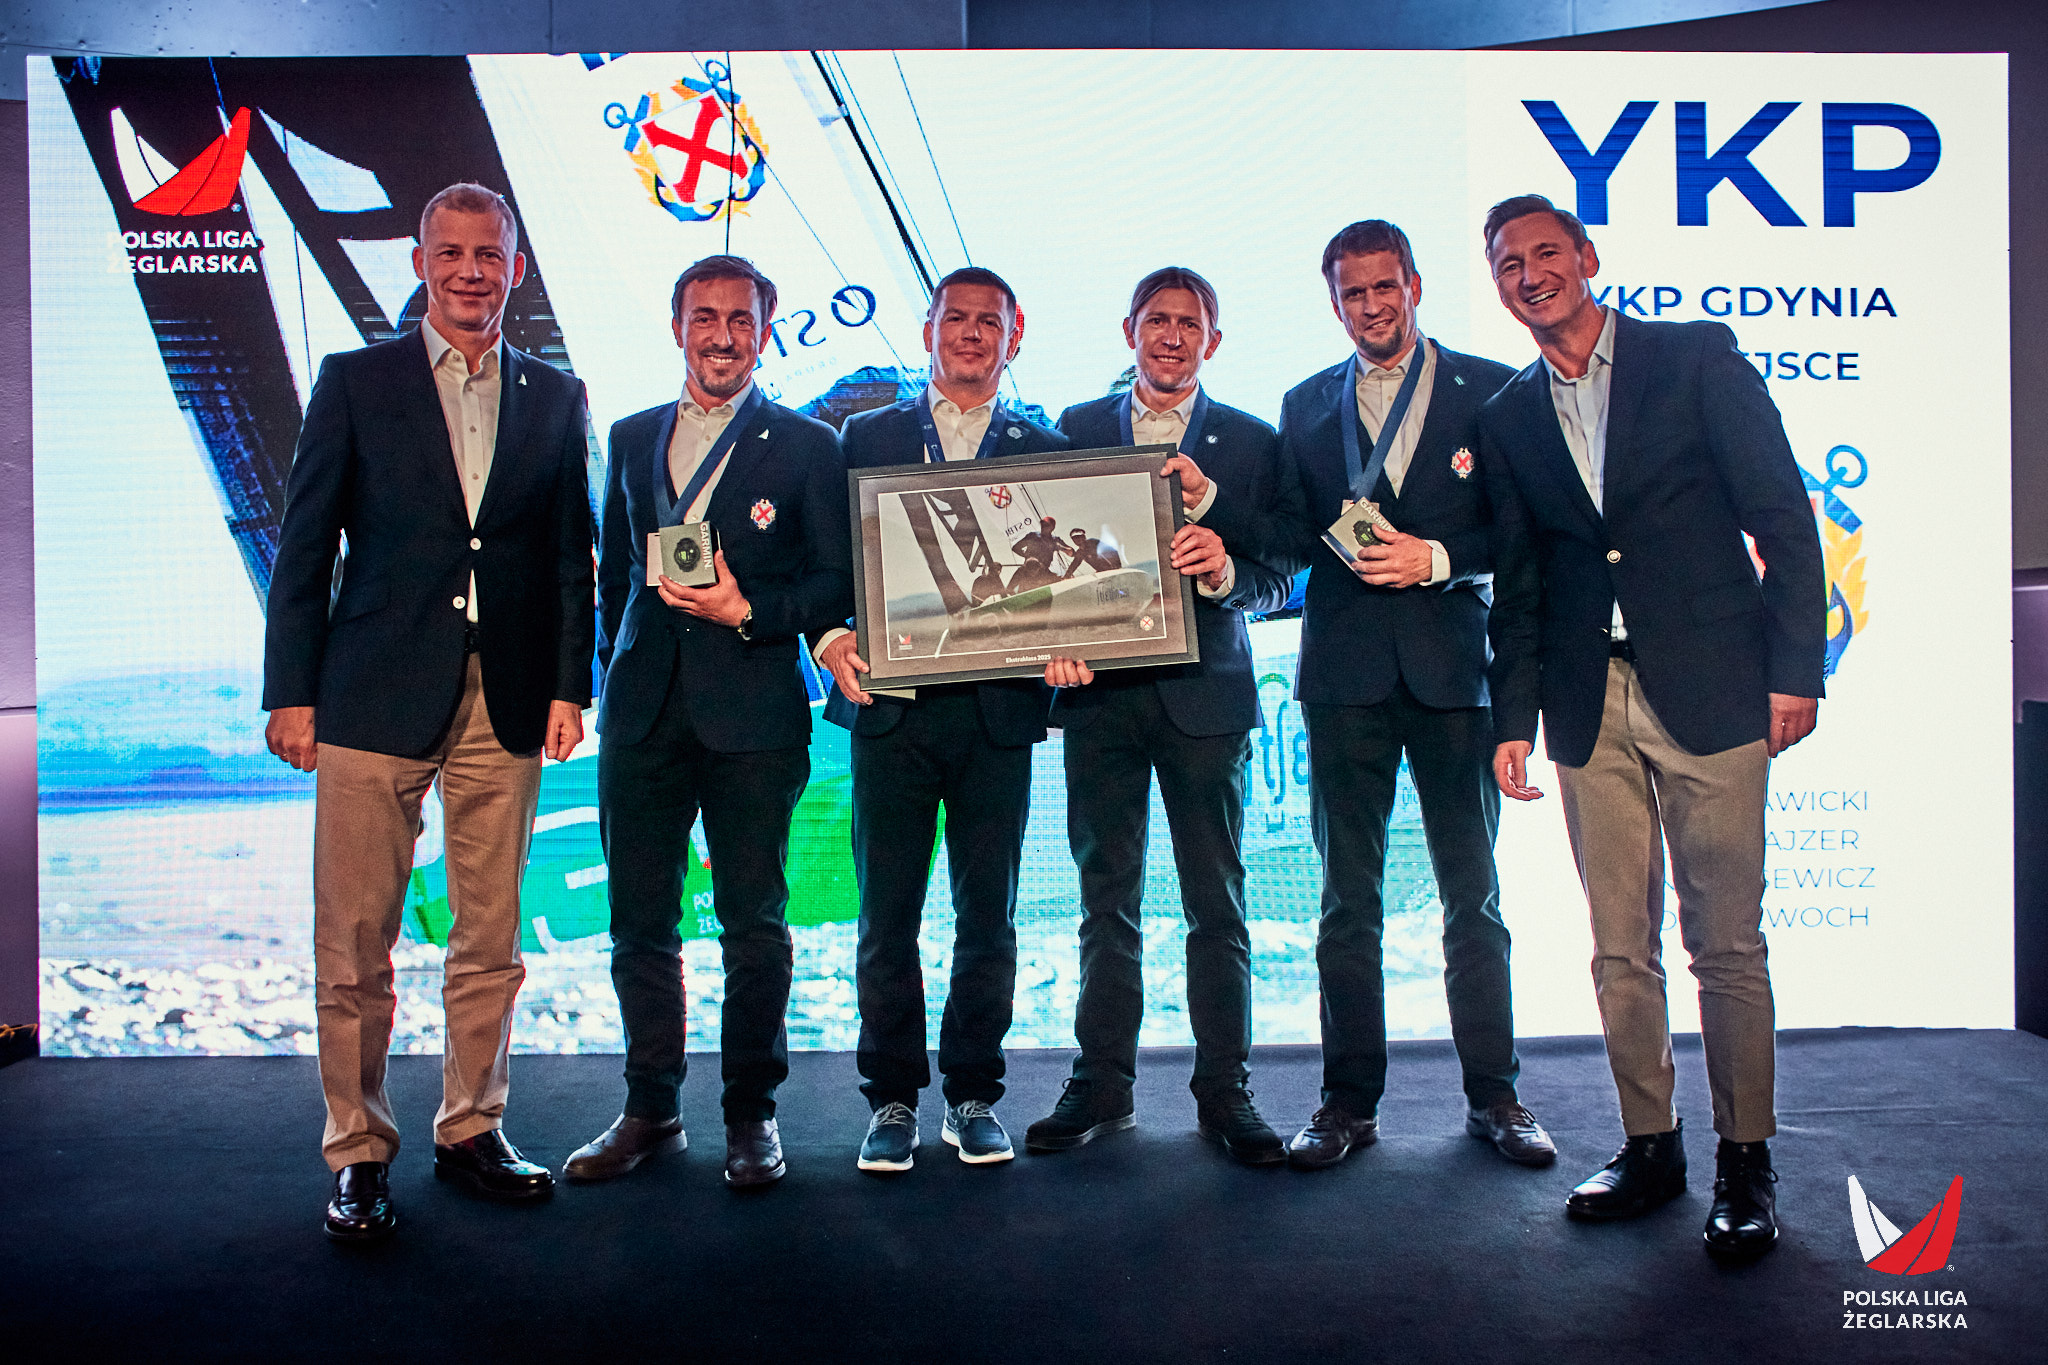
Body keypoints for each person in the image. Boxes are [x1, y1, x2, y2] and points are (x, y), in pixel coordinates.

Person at [1477, 194, 1824, 1258]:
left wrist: (1795, 671)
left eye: (1546, 253)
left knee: (1725, 942)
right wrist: (1513, 717)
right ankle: (1650, 1144)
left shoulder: (1693, 358)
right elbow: (1521, 582)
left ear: (1586, 258)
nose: (1531, 275)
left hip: (1715, 687)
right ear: (1496, 286)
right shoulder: (1507, 414)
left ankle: (1745, 1159)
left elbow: (1783, 517)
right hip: (1588, 706)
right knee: (1617, 946)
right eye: (1509, 264)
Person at [262, 182, 594, 1242]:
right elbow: (304, 546)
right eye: (449, 252)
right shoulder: (355, 381)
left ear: (514, 268)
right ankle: (358, 1153)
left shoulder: (556, 394)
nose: (469, 271)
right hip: (368, 695)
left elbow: (569, 556)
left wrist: (570, 685)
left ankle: (471, 1129)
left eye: (487, 254)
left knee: (488, 938)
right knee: (354, 942)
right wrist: (290, 691)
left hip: (508, 698)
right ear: (419, 263)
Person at [1203, 221, 1554, 1172]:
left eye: (1384, 287)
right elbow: (1286, 536)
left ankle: (1496, 1097)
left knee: (1472, 898)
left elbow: (1520, 537)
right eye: (1353, 293)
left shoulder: (1490, 389)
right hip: (1344, 680)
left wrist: (1437, 557)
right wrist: (1208, 506)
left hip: (1454, 676)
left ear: (1415, 286)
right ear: (1335, 303)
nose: (1371, 306)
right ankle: (1347, 1103)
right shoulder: (1305, 403)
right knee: (1346, 903)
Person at [564, 255, 852, 1189]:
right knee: (638, 922)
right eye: (705, 316)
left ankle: (750, 1114)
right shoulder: (631, 434)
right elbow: (615, 577)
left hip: (755, 715)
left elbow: (833, 583)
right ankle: (649, 1109)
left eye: (740, 319)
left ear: (763, 332)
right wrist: (606, 679)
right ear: (677, 325)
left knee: (754, 922)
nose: (722, 336)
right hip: (643, 715)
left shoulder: (808, 445)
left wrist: (749, 611)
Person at [1023, 267, 1294, 1164]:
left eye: (1189, 323)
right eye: (1157, 321)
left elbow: (1278, 571)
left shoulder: (1250, 441)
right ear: (1129, 330)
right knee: (1107, 901)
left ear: (1212, 339)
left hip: (1206, 699)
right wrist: (1050, 641)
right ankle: (1102, 1084)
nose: (1172, 336)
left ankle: (1226, 1091)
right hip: (1100, 698)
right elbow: (1037, 563)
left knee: (1217, 903)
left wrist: (1225, 570)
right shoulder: (1076, 429)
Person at [815, 267, 1070, 1173]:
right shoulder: (865, 436)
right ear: (927, 329)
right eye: (954, 318)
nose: (969, 333)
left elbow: (1068, 577)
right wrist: (830, 633)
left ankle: (971, 1095)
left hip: (998, 714)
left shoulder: (1047, 448)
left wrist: (1074, 645)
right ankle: (890, 1098)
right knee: (886, 917)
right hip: (894, 709)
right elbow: (829, 560)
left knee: (986, 918)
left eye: (987, 321)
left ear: (1014, 334)